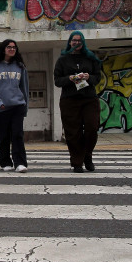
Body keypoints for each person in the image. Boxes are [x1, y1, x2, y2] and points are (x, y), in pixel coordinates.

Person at [53, 31, 102, 173]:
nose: (76, 43)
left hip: (89, 99)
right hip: (69, 100)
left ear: (83, 42)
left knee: (92, 128)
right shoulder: (63, 59)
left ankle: (87, 155)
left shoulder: (91, 58)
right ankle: (77, 162)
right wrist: (69, 78)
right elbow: (57, 81)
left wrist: (88, 77)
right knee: (73, 132)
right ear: (69, 42)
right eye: (74, 40)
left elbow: (97, 78)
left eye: (79, 41)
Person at [0, 39, 29, 173]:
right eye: (9, 47)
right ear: (3, 49)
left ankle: (20, 163)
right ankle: (5, 162)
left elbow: (25, 88)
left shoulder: (20, 67)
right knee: (3, 136)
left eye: (14, 47)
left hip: (17, 106)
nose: (12, 49)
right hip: (2, 108)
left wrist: (25, 106)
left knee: (17, 135)